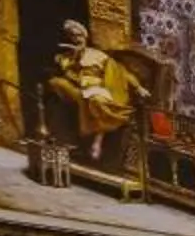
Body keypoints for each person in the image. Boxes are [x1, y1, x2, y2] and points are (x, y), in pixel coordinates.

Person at [41, 19, 143, 164]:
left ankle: (97, 140)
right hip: (78, 89)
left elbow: (122, 73)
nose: (76, 39)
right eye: (72, 36)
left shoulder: (98, 55)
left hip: (97, 89)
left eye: (79, 36)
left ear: (85, 37)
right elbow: (68, 75)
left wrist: (138, 87)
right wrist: (75, 57)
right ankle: (56, 136)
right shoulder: (65, 58)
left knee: (96, 101)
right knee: (55, 83)